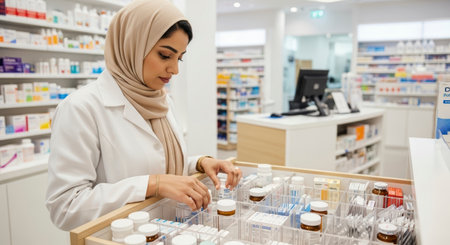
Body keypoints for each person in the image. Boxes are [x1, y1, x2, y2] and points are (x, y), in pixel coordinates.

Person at [46, 0, 242, 231]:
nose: (175, 69)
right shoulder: (81, 108)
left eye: (179, 57)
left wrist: (200, 162)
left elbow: (161, 163)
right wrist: (152, 184)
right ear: (133, 45)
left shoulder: (160, 99)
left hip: (169, 230)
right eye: (165, 55)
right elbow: (66, 207)